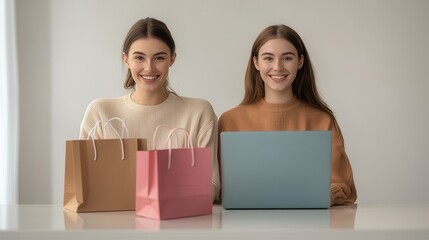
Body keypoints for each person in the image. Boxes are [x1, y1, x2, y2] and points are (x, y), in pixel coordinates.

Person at [79, 17, 220, 203]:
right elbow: (83, 185)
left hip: (179, 227)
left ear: (172, 59)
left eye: (159, 58)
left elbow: (211, 186)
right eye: (139, 57)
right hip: (114, 228)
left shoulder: (199, 112)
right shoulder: (101, 113)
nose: (149, 67)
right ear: (126, 59)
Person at [218, 24, 357, 206]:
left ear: (300, 62)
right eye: (268, 58)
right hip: (246, 225)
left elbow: (340, 184)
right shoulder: (230, 121)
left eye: (287, 58)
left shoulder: (322, 120)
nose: (278, 67)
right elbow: (220, 188)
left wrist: (316, 197)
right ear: (256, 63)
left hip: (309, 224)